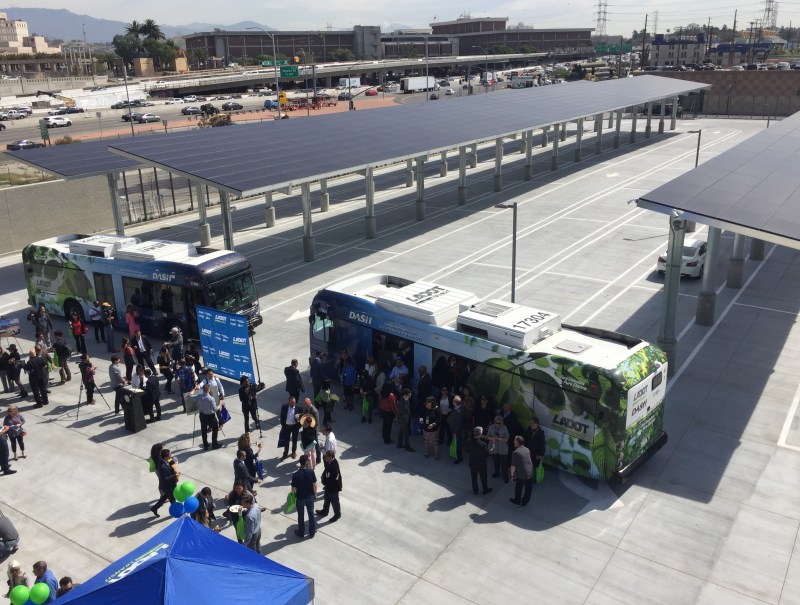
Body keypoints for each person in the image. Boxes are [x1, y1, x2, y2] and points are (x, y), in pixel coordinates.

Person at [291, 454, 317, 539]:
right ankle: (312, 532)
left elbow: (293, 489)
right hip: (309, 497)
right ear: (306, 462)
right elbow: (314, 484)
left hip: (300, 498)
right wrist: (315, 494)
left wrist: (293, 499)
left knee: (300, 515)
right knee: (311, 514)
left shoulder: (295, 475)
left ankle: (301, 532)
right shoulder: (311, 472)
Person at [192, 383, 222, 451]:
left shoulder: (199, 396)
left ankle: (205, 445)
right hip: (210, 416)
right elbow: (215, 409)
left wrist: (194, 389)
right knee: (215, 428)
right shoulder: (211, 399)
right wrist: (220, 405)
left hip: (202, 415)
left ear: (203, 390)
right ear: (209, 390)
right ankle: (214, 444)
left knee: (204, 430)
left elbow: (191, 397)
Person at [150, 448, 178, 516]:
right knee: (173, 500)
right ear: (166, 456)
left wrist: (175, 470)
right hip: (168, 486)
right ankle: (176, 512)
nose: (171, 454)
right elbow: (165, 479)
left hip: (171, 484)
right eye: (170, 454)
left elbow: (172, 466)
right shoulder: (162, 467)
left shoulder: (167, 460)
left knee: (164, 497)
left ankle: (154, 508)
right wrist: (175, 475)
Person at [316, 450, 342, 522]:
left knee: (335, 502)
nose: (325, 458)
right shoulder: (329, 462)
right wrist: (323, 476)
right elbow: (326, 470)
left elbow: (334, 478)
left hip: (334, 488)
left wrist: (326, 483)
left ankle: (337, 514)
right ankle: (325, 511)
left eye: (326, 457)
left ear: (330, 457)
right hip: (328, 486)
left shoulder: (334, 465)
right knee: (326, 499)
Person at [466, 426, 493, 495]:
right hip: (481, 464)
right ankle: (485, 489)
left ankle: (475, 490)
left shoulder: (468, 441)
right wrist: (491, 450)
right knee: (483, 477)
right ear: (480, 434)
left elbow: (467, 450)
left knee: (474, 478)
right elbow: (488, 454)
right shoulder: (483, 444)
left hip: (472, 463)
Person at [509, 435, 534, 506]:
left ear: (517, 442)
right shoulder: (527, 449)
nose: (514, 441)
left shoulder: (515, 452)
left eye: (514, 440)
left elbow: (513, 466)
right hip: (531, 473)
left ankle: (517, 501)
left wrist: (512, 476)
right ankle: (525, 502)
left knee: (518, 488)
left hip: (522, 475)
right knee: (528, 489)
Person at [486, 415, 510, 484]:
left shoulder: (504, 428)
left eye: (498, 423)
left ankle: (505, 476)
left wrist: (499, 438)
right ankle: (497, 472)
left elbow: (507, 439)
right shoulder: (491, 427)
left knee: (503, 463)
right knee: (495, 461)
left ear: (502, 423)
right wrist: (492, 438)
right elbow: (487, 436)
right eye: (495, 422)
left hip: (502, 447)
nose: (496, 424)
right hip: (494, 447)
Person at [447, 395, 465, 464]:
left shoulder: (458, 412)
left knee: (457, 445)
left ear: (455, 403)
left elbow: (459, 423)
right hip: (455, 429)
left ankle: (459, 458)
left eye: (453, 402)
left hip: (456, 430)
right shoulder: (458, 408)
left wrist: (455, 432)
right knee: (457, 443)